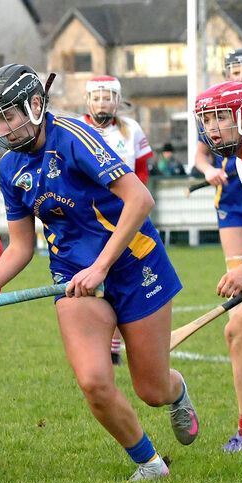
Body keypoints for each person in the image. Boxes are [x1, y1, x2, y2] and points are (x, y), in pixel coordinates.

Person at [0, 64, 196, 482]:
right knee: (95, 382)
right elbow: (22, 248)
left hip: (135, 264)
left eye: (10, 115)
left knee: (152, 390)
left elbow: (140, 200)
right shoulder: (10, 170)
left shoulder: (76, 139)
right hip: (73, 278)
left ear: (35, 105)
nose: (4, 129)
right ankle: (151, 465)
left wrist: (101, 267)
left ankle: (177, 390)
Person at [194, 80, 242, 453]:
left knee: (239, 329)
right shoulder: (241, 157)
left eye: (219, 118)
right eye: (207, 120)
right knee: (239, 329)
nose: (211, 128)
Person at [82, 74, 154, 367]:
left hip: (126, 214)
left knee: (125, 276)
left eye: (108, 97)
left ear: (117, 99)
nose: (103, 102)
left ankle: (117, 342)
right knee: (100, 277)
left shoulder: (131, 130)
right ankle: (103, 342)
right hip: (92, 216)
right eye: (97, 97)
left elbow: (141, 172)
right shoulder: (77, 128)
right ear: (88, 100)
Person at [194, 48, 242, 273]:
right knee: (237, 269)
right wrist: (209, 170)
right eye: (235, 71)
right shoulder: (217, 110)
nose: (241, 76)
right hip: (231, 198)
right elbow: (200, 154)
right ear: (227, 74)